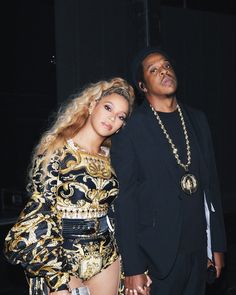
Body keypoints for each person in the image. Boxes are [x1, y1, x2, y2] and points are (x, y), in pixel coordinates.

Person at [110, 47, 227, 295]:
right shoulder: (131, 130)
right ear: (142, 86)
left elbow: (211, 186)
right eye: (154, 70)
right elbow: (125, 201)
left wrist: (216, 244)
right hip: (156, 257)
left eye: (166, 66)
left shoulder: (197, 119)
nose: (163, 71)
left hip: (198, 251)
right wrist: (133, 267)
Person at [4, 77, 135, 295]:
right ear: (92, 105)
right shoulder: (55, 151)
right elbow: (40, 214)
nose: (112, 118)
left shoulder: (115, 158)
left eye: (120, 116)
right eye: (108, 107)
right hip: (61, 257)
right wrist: (57, 280)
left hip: (107, 256)